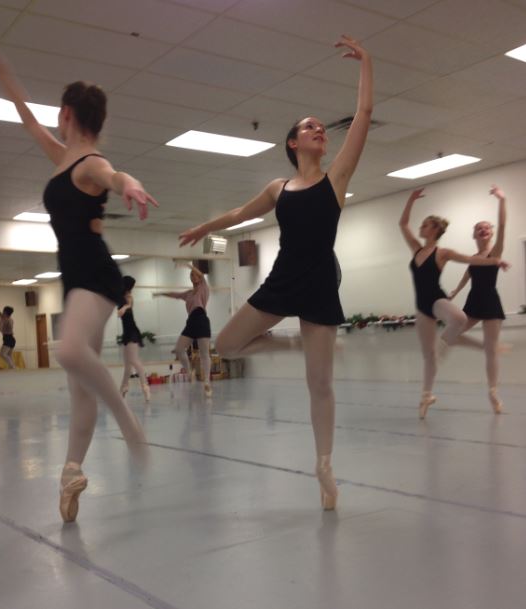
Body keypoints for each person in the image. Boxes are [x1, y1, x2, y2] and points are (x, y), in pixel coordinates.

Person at [179, 35, 372, 510]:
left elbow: (363, 118)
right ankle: (293, 343)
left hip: (322, 279)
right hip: (283, 279)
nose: (319, 129)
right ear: (293, 142)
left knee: (319, 384)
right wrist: (204, 226)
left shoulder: (337, 178)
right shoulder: (279, 186)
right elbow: (241, 213)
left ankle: (323, 464)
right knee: (225, 344)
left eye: (322, 126)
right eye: (310, 127)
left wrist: (366, 64)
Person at [0, 49, 157, 522]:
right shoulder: (60, 156)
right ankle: (70, 473)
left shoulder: (90, 162)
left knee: (71, 352)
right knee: (78, 392)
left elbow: (114, 175)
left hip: (95, 275)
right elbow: (28, 120)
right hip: (76, 277)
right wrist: (3, 71)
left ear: (68, 114)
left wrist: (129, 186)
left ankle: (128, 420)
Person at [399, 187, 509, 419]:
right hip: (434, 306)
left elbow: (472, 258)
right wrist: (410, 200)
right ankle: (426, 394)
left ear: (435, 229)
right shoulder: (417, 248)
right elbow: (403, 225)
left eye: (426, 224)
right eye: (479, 228)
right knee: (432, 353)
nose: (421, 227)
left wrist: (496, 260)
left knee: (458, 324)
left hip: (460, 300)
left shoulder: (447, 252)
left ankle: (492, 388)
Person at [448, 186, 507, 413]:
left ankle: (493, 391)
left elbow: (503, 225)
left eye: (486, 228)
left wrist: (502, 200)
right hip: (473, 302)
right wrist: (455, 291)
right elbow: (468, 275)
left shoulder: (496, 253)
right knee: (448, 335)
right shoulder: (472, 258)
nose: (483, 230)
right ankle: (486, 347)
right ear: (474, 235)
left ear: (490, 233)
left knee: (491, 352)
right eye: (478, 228)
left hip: (491, 301)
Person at [156, 262, 213, 397]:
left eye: (195, 275)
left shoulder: (203, 288)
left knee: (204, 353)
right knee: (179, 349)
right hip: (191, 322)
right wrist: (160, 293)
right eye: (191, 275)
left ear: (199, 278)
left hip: (202, 320)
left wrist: (188, 265)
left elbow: (200, 274)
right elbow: (175, 295)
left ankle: (207, 382)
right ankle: (189, 372)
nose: (193, 276)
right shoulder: (188, 294)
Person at [118, 275, 150, 403]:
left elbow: (120, 313)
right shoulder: (122, 299)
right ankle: (123, 389)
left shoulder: (128, 299)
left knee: (134, 361)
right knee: (127, 365)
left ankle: (145, 387)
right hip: (127, 333)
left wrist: (127, 305)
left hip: (132, 332)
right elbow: (120, 313)